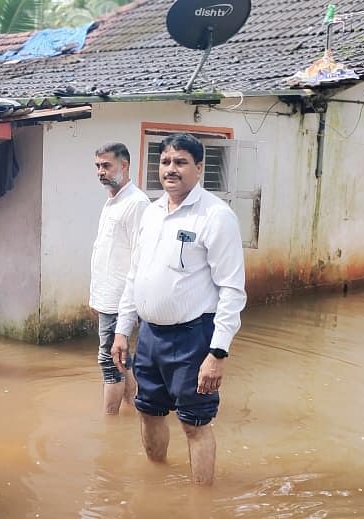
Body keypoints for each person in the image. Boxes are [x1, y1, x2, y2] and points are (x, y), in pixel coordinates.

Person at [110, 133, 247, 485]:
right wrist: (123, 330)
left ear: (199, 168)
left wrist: (218, 352)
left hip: (193, 337)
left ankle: (201, 504)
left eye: (181, 162)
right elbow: (135, 275)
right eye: (166, 161)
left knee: (195, 423)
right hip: (150, 335)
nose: (171, 169)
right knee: (148, 411)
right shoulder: (152, 213)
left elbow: (232, 290)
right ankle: (156, 486)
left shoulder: (216, 216)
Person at [90, 142, 150, 415]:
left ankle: (109, 421)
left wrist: (129, 304)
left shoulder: (136, 203)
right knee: (120, 360)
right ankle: (136, 409)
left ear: (124, 166)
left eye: (106, 166)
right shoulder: (112, 201)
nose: (101, 172)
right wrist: (94, 296)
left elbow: (142, 257)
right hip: (106, 296)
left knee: (109, 360)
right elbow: (105, 253)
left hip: (121, 298)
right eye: (98, 166)